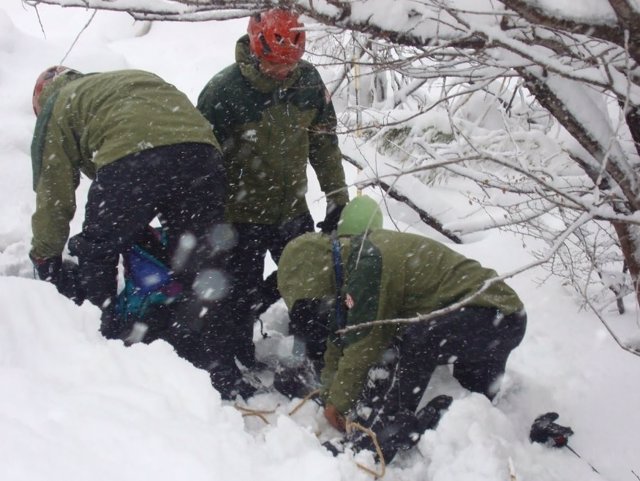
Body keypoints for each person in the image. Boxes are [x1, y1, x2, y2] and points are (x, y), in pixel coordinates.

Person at [277, 196, 527, 462]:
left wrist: (337, 403)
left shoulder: (367, 262)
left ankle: (382, 439)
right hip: (475, 321)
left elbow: (364, 343)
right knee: (470, 407)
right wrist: (330, 395)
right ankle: (436, 422)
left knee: (418, 341)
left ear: (316, 272)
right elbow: (340, 338)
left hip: (498, 315)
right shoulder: (348, 267)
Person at [30, 66, 230, 380]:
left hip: (133, 158)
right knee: (198, 259)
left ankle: (100, 341)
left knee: (99, 251)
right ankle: (209, 359)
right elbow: (167, 147)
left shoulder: (58, 105)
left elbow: (53, 192)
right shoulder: (118, 84)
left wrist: (45, 255)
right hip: (202, 153)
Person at [196, 9, 349, 387]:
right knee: (238, 298)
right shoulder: (223, 91)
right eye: (273, 64)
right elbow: (201, 160)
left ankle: (315, 359)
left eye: (290, 64)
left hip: (291, 211)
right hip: (239, 215)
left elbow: (325, 143)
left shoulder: (308, 82)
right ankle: (235, 364)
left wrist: (336, 197)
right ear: (254, 47)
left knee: (311, 288)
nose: (283, 72)